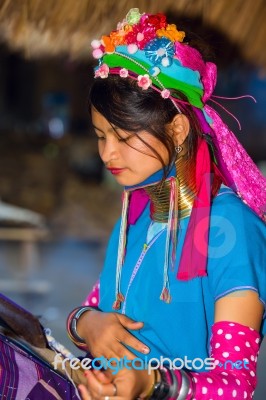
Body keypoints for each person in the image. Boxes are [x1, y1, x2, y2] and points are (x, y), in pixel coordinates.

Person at [66, 8, 266, 400]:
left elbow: (236, 383)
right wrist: (87, 326)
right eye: (100, 135)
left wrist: (154, 383)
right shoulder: (137, 216)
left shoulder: (230, 230)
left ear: (177, 129)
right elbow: (92, 312)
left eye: (123, 137)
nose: (107, 153)